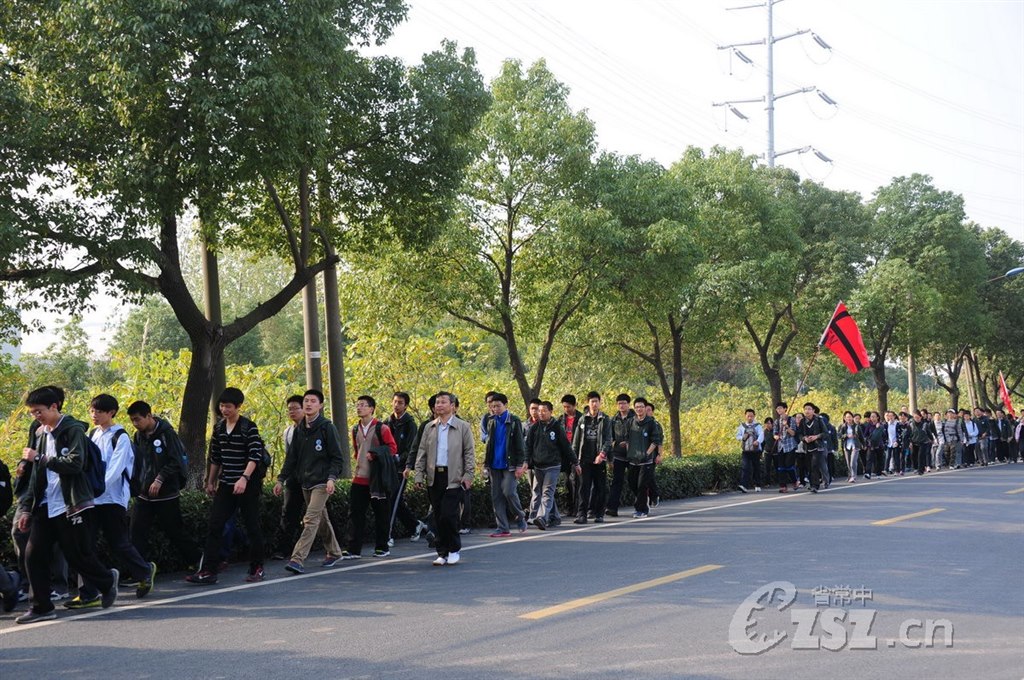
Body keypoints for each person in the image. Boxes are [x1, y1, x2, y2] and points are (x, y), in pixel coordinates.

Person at [15, 386, 119, 624]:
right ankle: (41, 607)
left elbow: (75, 463)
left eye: (39, 411)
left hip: (71, 503)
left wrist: (40, 457)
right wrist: (27, 508)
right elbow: (35, 476)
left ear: (54, 406)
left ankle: (106, 580)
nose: (36, 416)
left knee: (77, 555)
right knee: (33, 555)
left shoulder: (73, 430)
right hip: (46, 504)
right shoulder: (41, 434)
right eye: (32, 412)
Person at [67, 394, 156, 608]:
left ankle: (144, 571)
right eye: (92, 411)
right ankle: (88, 593)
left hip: (113, 498)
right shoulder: (92, 434)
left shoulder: (120, 437)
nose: (94, 415)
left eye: (99, 411)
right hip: (92, 499)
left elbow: (115, 470)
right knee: (85, 546)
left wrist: (95, 489)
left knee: (118, 543)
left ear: (111, 413)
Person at [186, 387, 267, 585]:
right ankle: (208, 570)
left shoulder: (249, 427)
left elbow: (255, 455)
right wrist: (210, 481)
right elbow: (216, 457)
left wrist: (244, 478)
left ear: (238, 407)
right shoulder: (219, 428)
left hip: (247, 484)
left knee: (252, 526)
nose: (224, 410)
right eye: (222, 406)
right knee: (215, 525)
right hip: (226, 483)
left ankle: (257, 567)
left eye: (228, 406)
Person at [274, 389, 344, 574]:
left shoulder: (327, 427)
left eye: (313, 401)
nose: (308, 404)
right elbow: (291, 458)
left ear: (320, 405)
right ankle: (334, 551)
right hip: (305, 481)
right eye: (306, 400)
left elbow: (337, 458)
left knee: (310, 519)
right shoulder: (299, 429)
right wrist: (281, 479)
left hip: (322, 482)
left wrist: (331, 478)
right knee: (321, 519)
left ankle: (297, 559)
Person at [127, 400, 203, 570]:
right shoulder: (138, 436)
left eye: (138, 419)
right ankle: (139, 570)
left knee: (174, 530)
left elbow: (176, 461)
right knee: (136, 531)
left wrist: (160, 479)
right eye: (132, 420)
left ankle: (197, 559)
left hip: (166, 493)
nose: (135, 424)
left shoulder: (167, 433)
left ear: (149, 416)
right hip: (144, 494)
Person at [414, 392, 475, 566]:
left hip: (454, 476)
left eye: (443, 402)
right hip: (435, 476)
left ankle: (454, 549)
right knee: (438, 516)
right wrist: (419, 474)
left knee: (449, 515)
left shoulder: (463, 427)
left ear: (452, 406)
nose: (439, 405)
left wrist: (468, 474)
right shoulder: (429, 427)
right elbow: (422, 452)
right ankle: (442, 552)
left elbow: (469, 453)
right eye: (437, 402)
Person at [343, 395, 398, 559]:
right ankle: (353, 549)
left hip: (378, 478)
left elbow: (392, 448)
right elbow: (356, 451)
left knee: (381, 513)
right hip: (359, 477)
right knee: (355, 514)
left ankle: (382, 547)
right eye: (357, 405)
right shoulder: (355, 429)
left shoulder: (382, 428)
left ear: (371, 409)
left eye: (363, 405)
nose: (359, 408)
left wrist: (375, 454)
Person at [526, 401, 578, 530]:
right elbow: (528, 447)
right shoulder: (534, 428)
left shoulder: (557, 427)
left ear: (550, 412)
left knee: (547, 492)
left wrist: (575, 462)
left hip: (553, 465)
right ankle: (555, 517)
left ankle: (542, 517)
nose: (541, 413)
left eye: (544, 411)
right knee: (539, 491)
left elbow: (566, 446)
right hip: (538, 466)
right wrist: (526, 462)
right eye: (539, 411)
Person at [483, 393, 528, 537]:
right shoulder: (491, 421)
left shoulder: (514, 421)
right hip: (494, 464)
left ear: (505, 405)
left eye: (498, 406)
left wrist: (520, 464)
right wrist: (486, 464)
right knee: (496, 496)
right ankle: (503, 528)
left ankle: (520, 516)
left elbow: (520, 444)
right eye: (493, 406)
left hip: (510, 464)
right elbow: (489, 444)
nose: (495, 409)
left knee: (509, 491)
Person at [386, 392, 426, 544]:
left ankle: (388, 535)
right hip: (388, 468)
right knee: (393, 500)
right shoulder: (387, 422)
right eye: (395, 401)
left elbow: (411, 448)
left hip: (402, 469)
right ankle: (415, 525)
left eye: (400, 403)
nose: (397, 405)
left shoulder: (410, 424)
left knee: (393, 500)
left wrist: (403, 462)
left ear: (406, 406)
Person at [270, 395, 305, 560]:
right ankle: (283, 548)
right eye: (289, 409)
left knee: (320, 514)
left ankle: (334, 545)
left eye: (296, 408)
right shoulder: (288, 432)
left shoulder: (315, 429)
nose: (292, 412)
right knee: (288, 512)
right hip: (293, 478)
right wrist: (281, 479)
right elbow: (288, 458)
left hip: (311, 478)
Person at [571, 392, 612, 523]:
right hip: (585, 459)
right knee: (583, 488)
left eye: (596, 401)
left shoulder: (605, 419)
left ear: (600, 402)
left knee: (600, 487)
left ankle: (599, 514)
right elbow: (576, 441)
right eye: (592, 401)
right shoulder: (582, 420)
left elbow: (608, 440)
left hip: (599, 459)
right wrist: (575, 460)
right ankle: (581, 515)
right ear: (588, 403)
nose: (594, 404)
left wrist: (602, 454)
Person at [627, 398, 661, 516]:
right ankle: (645, 500)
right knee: (632, 483)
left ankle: (641, 509)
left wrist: (647, 454)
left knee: (642, 485)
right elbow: (627, 438)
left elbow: (655, 440)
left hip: (646, 461)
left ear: (645, 408)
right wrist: (629, 452)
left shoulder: (651, 423)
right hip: (633, 460)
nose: (639, 409)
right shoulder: (631, 422)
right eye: (637, 407)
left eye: (641, 407)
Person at [605, 394, 634, 516]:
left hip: (633, 456)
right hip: (618, 455)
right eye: (619, 403)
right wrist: (609, 458)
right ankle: (612, 508)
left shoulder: (635, 418)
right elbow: (609, 438)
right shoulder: (614, 420)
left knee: (634, 481)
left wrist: (628, 443)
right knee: (617, 481)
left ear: (628, 404)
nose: (621, 406)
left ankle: (642, 505)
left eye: (624, 403)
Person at [796, 403, 828, 494]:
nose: (807, 411)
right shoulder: (802, 421)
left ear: (813, 411)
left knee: (814, 465)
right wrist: (804, 438)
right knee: (809, 466)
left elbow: (825, 433)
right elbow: (799, 434)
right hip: (807, 447)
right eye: (805, 409)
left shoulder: (819, 420)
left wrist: (816, 437)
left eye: (809, 409)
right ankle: (811, 484)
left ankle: (815, 486)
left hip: (818, 447)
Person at [736, 408, 763, 493]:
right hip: (746, 450)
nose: (750, 418)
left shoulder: (758, 426)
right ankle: (744, 485)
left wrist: (758, 441)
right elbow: (737, 436)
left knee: (756, 467)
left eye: (751, 416)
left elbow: (761, 435)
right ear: (745, 416)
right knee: (745, 467)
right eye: (748, 416)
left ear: (754, 416)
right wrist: (742, 437)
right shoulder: (742, 426)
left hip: (756, 450)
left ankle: (757, 484)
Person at [773, 402, 798, 493]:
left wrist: (786, 426)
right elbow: (775, 433)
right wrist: (776, 436)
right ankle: (783, 486)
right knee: (781, 467)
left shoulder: (791, 419)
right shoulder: (776, 421)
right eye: (777, 409)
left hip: (790, 446)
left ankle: (795, 481)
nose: (779, 410)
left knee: (789, 465)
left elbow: (793, 433)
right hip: (780, 446)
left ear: (785, 409)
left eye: (780, 408)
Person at [840, 411, 862, 483]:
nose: (848, 418)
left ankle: (853, 477)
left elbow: (861, 436)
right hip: (846, 446)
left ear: (852, 418)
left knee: (853, 462)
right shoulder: (843, 426)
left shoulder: (856, 426)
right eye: (847, 417)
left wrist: (864, 445)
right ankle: (850, 476)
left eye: (850, 417)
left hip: (855, 446)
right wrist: (846, 435)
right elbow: (839, 435)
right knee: (848, 463)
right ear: (844, 418)